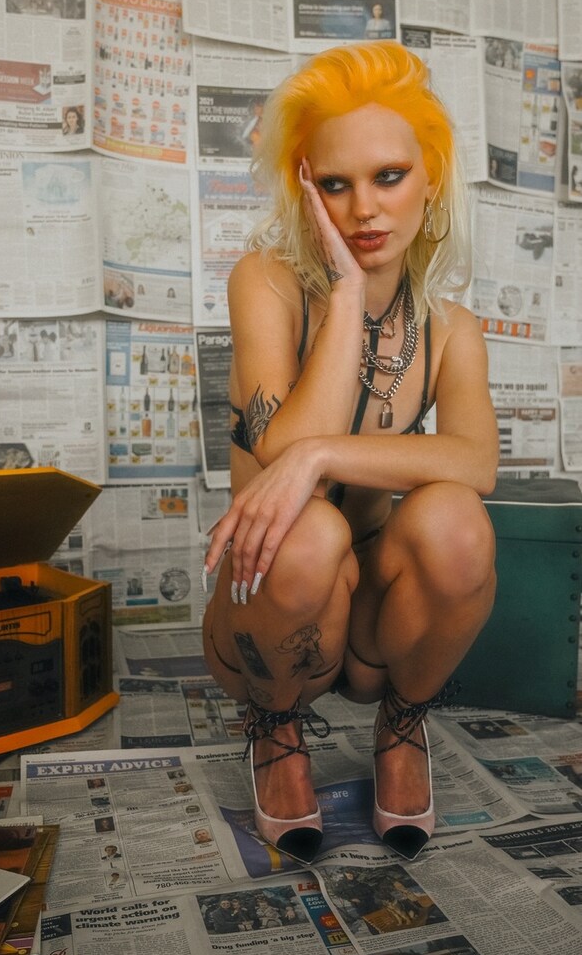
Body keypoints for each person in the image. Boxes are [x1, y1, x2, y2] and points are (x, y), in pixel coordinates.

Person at [201, 42, 498, 865]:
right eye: (334, 184)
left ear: (429, 180)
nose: (363, 208)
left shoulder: (451, 330)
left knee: (455, 521)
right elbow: (284, 447)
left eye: (388, 176)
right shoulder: (265, 282)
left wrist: (317, 458)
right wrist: (343, 293)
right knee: (311, 531)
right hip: (270, 621)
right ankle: (275, 730)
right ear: (305, 190)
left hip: (374, 633)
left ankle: (401, 725)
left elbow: (475, 464)